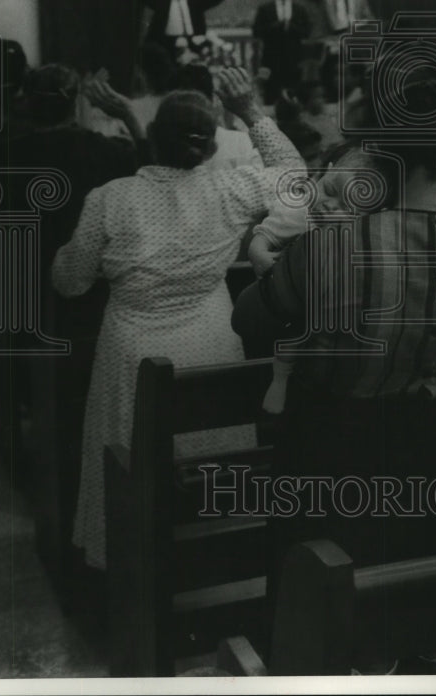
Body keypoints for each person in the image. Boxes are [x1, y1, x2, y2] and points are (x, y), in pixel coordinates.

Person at [232, 73, 436, 632]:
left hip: (339, 471)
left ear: (378, 161)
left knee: (332, 631)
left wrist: (272, 272)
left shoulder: (331, 247)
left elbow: (247, 319)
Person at [51, 69, 304, 570]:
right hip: (210, 341)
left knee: (132, 459)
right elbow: (295, 179)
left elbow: (70, 283)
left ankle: (128, 562)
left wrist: (68, 256)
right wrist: (251, 110)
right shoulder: (231, 190)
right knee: (209, 456)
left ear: (148, 141)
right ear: (210, 149)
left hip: (134, 352)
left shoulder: (110, 199)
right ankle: (214, 555)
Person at [252, 0, 311, 104]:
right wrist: (274, 27)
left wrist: (292, 27)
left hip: (294, 60)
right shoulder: (265, 9)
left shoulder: (300, 9)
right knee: (271, 96)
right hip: (271, 60)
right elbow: (256, 32)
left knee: (294, 95)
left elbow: (307, 32)